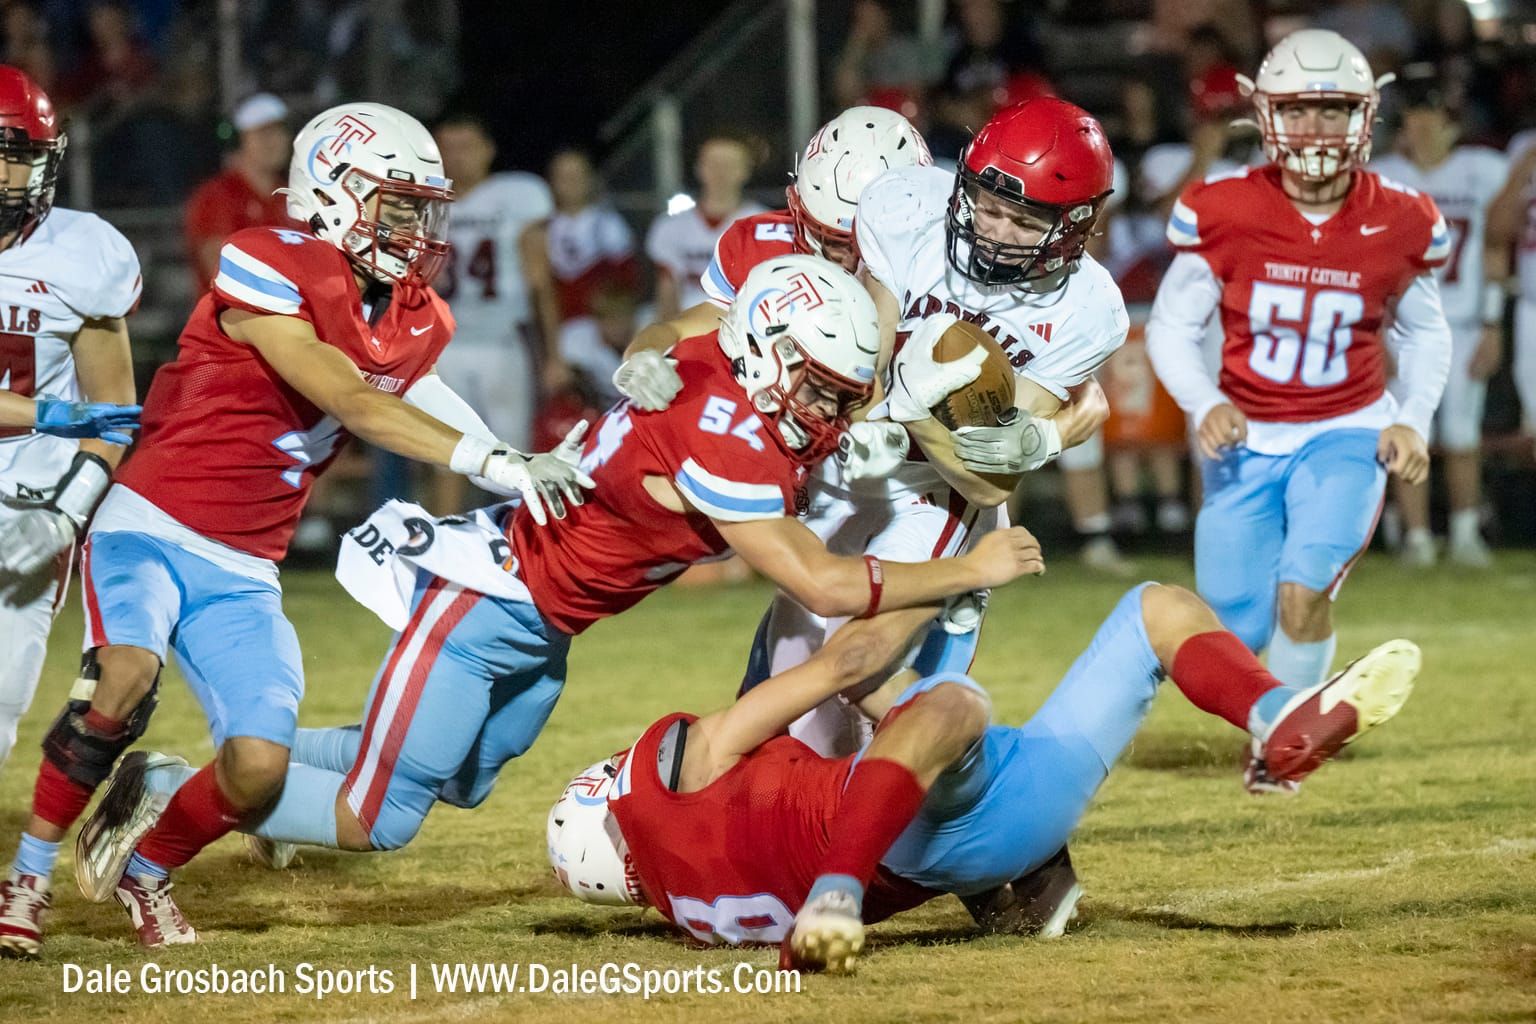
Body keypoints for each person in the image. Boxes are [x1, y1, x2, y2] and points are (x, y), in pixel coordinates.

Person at [78, 256, 1045, 936]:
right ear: (773, 359)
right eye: (826, 392)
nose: (835, 415)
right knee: (381, 815)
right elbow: (822, 580)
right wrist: (973, 568)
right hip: (489, 599)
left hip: (546, 622)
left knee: (460, 776)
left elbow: (695, 329)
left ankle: (249, 774)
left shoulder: (732, 370)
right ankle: (166, 812)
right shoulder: (727, 438)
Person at [0, 101, 592, 958]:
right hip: (153, 523)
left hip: (246, 564)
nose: (415, 229)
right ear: (338, 194)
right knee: (121, 679)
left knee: (259, 769)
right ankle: (26, 878)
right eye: (397, 206)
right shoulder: (266, 261)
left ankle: (149, 869)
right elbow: (352, 395)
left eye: (421, 209)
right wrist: (497, 466)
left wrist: (509, 452)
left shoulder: (415, 311)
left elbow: (406, 386)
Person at [547, 582, 1421, 973]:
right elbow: (844, 657)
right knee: (969, 693)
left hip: (965, 849)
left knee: (921, 716)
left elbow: (861, 704)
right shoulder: (669, 775)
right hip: (914, 825)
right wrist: (961, 572)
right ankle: (1269, 714)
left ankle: (1026, 893)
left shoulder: (696, 919)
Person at [1145, 30, 1453, 793]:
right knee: (1237, 631)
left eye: (1332, 109)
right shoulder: (1223, 206)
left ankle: (1282, 756)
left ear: (1365, 116)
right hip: (1246, 436)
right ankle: (1282, 717)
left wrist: (1412, 416)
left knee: (1305, 588)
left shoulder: (1403, 216)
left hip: (1346, 427)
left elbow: (1427, 330)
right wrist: (1204, 401)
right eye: (1300, 110)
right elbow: (1172, 325)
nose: (1316, 128)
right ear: (1264, 113)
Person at [0, 66, 141, 777]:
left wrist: (66, 513)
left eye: (9, 155)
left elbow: (113, 414)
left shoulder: (81, 253)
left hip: (30, 500)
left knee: (0, 697)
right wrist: (44, 411)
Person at [612, 105, 930, 412]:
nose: (839, 254)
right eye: (824, 234)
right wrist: (641, 355)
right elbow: (681, 329)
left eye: (857, 242)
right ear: (800, 203)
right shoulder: (763, 243)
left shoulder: (933, 264)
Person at [1369, 68, 1506, 568]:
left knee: (1463, 434)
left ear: (1453, 124)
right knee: (1410, 432)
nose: (1425, 129)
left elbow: (1494, 248)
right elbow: (1372, 264)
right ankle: (1418, 538)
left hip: (1465, 322)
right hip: (1405, 328)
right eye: (1416, 119)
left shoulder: (1483, 169)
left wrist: (1493, 323)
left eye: (1434, 119)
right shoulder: (1385, 177)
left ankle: (1467, 534)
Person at [428, 113, 559, 510]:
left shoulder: (517, 195)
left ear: (488, 150)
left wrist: (553, 353)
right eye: (448, 148)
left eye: (466, 146)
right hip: (444, 344)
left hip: (502, 341)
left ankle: (520, 552)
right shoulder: (424, 200)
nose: (457, 157)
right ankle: (444, 557)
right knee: (444, 454)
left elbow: (539, 277)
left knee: (511, 454)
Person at [183, 92, 300, 290]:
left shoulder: (293, 195)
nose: (277, 140)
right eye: (264, 133)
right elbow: (224, 273)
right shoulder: (215, 197)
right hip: (234, 318)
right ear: (238, 140)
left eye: (281, 131)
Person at [644, 133, 766, 319]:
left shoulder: (763, 224)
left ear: (746, 170)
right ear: (699, 167)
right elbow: (667, 293)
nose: (720, 172)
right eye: (713, 164)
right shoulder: (670, 227)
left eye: (729, 165)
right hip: (686, 325)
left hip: (744, 325)